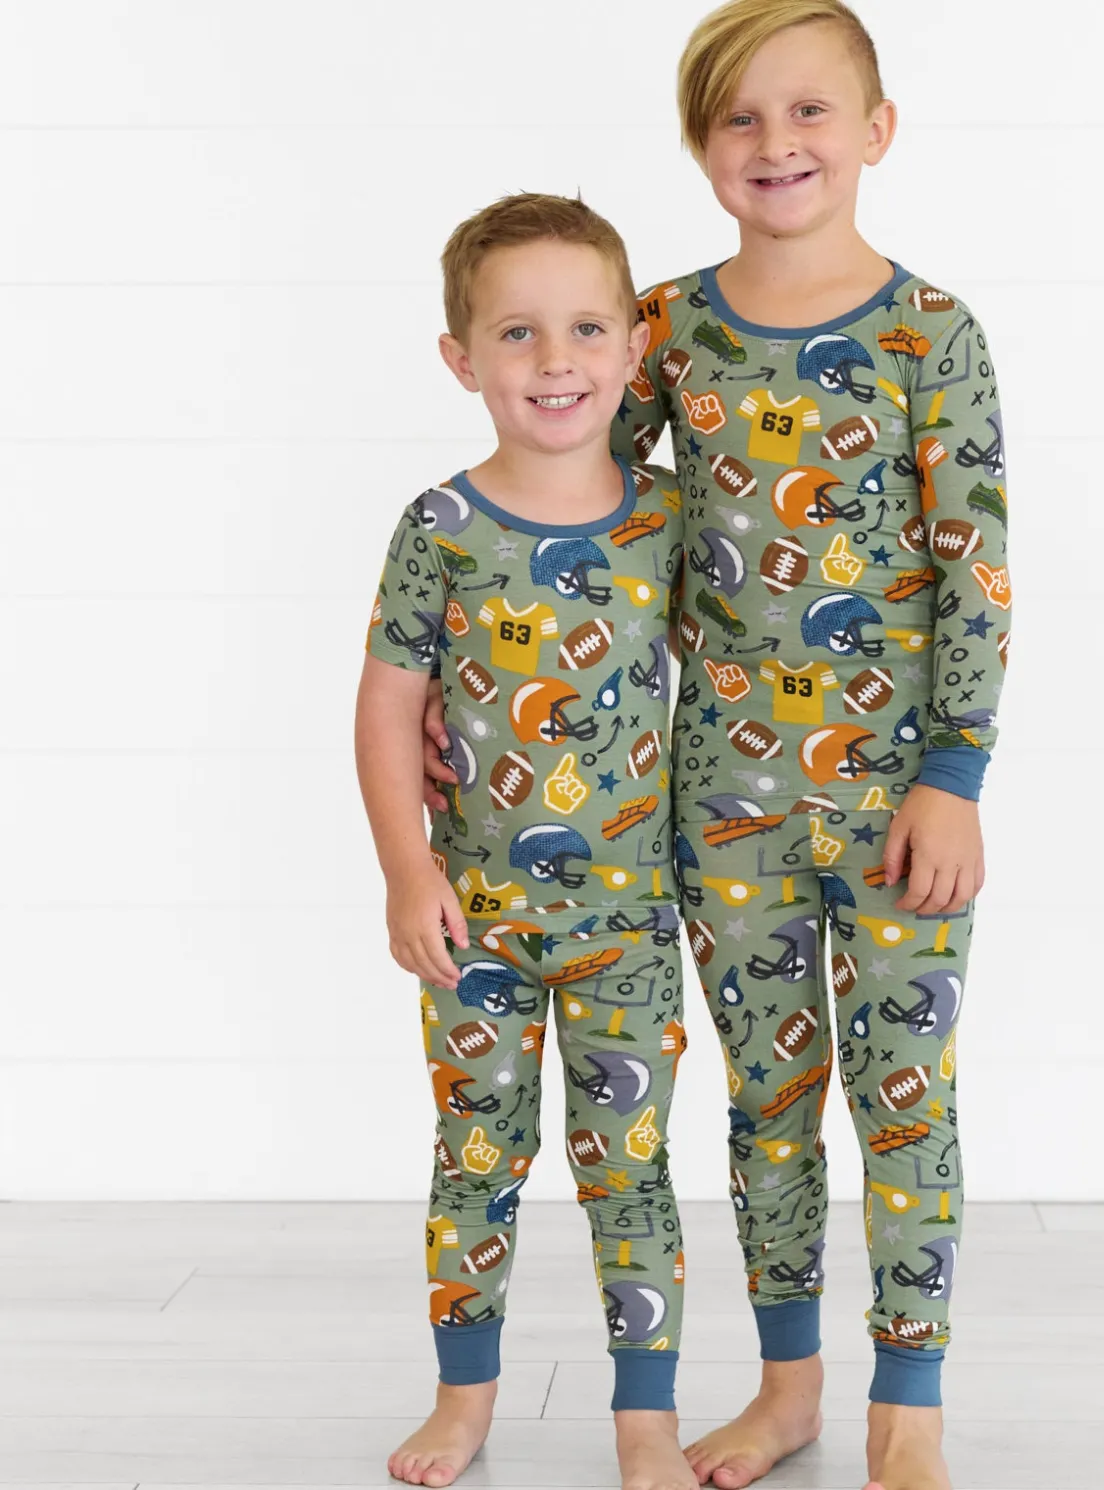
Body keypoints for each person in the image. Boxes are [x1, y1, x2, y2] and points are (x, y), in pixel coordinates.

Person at [423, 5, 1010, 1485]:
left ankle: (909, 1410)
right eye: (740, 117)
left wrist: (954, 776)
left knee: (904, 1097)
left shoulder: (932, 334)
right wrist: (455, 685)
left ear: (876, 130)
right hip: (719, 799)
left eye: (809, 111)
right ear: (699, 148)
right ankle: (788, 1386)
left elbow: (977, 570)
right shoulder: (663, 327)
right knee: (767, 1104)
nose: (776, 143)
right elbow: (571, 513)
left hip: (896, 800)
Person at [356, 192, 696, 1490]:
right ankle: (464, 1400)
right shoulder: (440, 527)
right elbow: (386, 703)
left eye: (586, 328)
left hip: (632, 926)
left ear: (632, 349)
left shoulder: (667, 521)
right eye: (517, 332)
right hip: (475, 923)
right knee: (475, 1164)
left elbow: (729, 677)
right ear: (462, 358)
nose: (556, 359)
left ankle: (645, 1421)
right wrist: (407, 868)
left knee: (631, 1176)